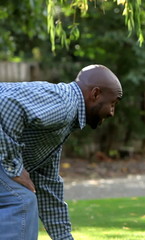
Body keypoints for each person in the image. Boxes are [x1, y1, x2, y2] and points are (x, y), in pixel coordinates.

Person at [0, 64, 123, 240]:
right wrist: (15, 167)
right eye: (112, 103)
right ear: (95, 94)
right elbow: (5, 105)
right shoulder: (64, 104)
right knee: (21, 200)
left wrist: (64, 237)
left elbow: (47, 187)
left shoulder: (62, 125)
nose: (112, 112)